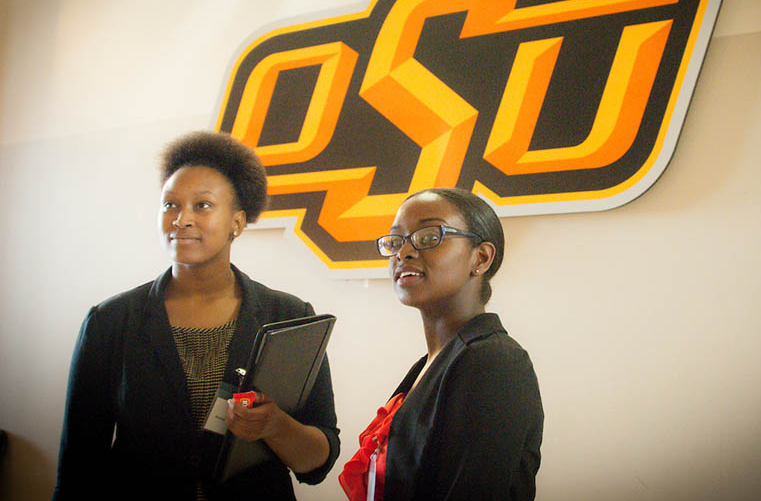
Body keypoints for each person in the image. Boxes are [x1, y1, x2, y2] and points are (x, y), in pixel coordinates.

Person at [53, 131, 339, 500]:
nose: (181, 219)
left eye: (202, 205)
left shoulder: (287, 316)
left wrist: (274, 425)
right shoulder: (110, 322)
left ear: (237, 221)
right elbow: (78, 466)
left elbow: (319, 463)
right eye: (170, 204)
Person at [339, 187, 543, 501]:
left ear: (481, 257)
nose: (403, 252)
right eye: (396, 240)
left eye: (428, 236)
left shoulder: (494, 362)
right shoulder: (432, 362)